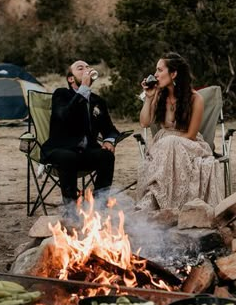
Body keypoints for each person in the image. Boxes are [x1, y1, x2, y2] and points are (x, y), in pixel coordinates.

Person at [135, 52, 224, 211]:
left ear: (174, 73)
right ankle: (158, 200)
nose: (155, 74)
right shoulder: (158, 95)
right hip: (163, 144)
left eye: (160, 70)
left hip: (189, 144)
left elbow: (191, 135)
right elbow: (144, 122)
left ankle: (165, 203)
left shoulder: (195, 99)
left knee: (169, 143)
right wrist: (148, 98)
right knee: (166, 144)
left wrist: (170, 141)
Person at [42, 60, 121, 205]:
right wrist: (83, 89)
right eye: (80, 68)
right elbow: (64, 116)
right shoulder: (61, 95)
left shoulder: (98, 101)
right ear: (71, 78)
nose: (86, 70)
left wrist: (109, 140)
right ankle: (72, 209)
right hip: (60, 150)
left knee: (106, 156)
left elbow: (110, 129)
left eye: (88, 67)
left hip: (86, 152)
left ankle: (99, 206)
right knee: (68, 156)